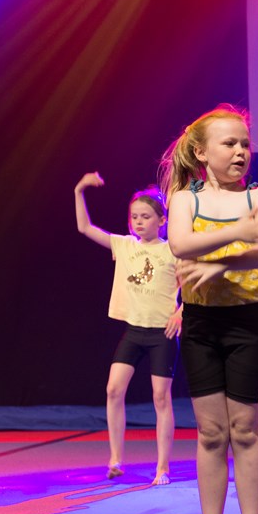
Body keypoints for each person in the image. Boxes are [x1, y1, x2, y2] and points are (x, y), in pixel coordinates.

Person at [158, 105, 258, 514]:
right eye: (229, 144)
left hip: (246, 323)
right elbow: (180, 244)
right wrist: (240, 233)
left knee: (245, 430)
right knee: (212, 432)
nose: (240, 152)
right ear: (201, 152)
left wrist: (223, 263)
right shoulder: (185, 199)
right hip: (200, 325)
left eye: (245, 144)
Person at [74, 172, 181, 486]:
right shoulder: (123, 245)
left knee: (161, 398)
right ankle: (116, 459)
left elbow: (192, 286)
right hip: (134, 331)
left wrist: (181, 312)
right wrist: (79, 190)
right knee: (113, 390)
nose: (138, 222)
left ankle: (162, 467)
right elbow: (85, 227)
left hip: (162, 334)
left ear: (162, 220)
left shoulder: (172, 250)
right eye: (134, 217)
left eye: (145, 217)